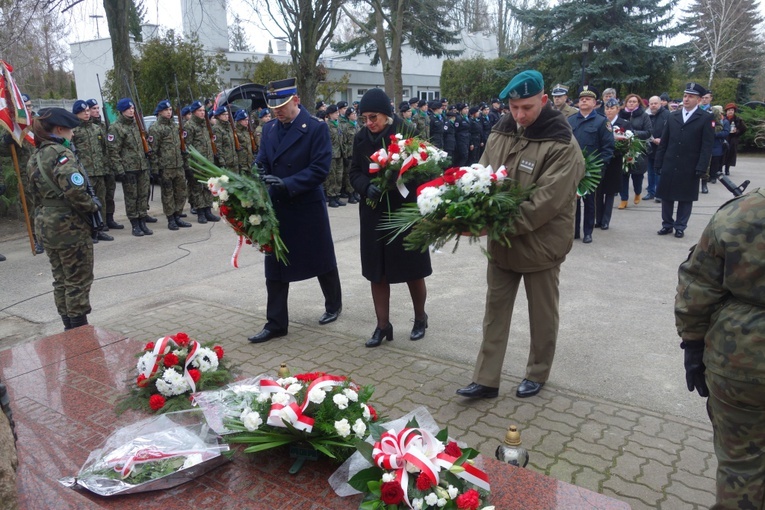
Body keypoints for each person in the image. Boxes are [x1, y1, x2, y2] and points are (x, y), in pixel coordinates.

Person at [456, 70, 585, 399]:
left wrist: (491, 225)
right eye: (513, 107)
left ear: (544, 100)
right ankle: (485, 379)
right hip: (503, 244)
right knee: (494, 312)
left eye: (526, 107)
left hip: (541, 245)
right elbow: (482, 174)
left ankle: (538, 372)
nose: (519, 115)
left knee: (541, 315)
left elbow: (544, 203)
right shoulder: (500, 131)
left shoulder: (562, 145)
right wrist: (466, 209)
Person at [675, 188, 765, 510]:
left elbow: (698, 284)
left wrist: (693, 344)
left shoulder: (738, 213)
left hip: (742, 361)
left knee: (741, 466)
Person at [248, 78, 343, 343]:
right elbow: (262, 159)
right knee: (275, 266)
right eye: (273, 107)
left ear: (296, 101)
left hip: (305, 205)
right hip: (276, 207)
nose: (277, 111)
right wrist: (259, 170)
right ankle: (276, 323)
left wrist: (288, 183)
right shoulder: (268, 130)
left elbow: (319, 169)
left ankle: (333, 304)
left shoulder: (315, 129)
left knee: (321, 259)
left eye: (283, 105)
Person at [348, 88, 432, 347]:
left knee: (412, 270)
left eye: (374, 117)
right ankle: (383, 326)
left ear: (386, 115)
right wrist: (365, 186)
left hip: (403, 212)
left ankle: (420, 318)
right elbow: (353, 171)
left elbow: (424, 169)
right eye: (365, 118)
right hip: (373, 213)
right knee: (377, 272)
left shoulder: (406, 134)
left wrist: (400, 179)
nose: (369, 123)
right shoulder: (361, 137)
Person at [27, 108, 100, 330]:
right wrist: (93, 206)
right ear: (59, 129)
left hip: (47, 225)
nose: (73, 134)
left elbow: (35, 195)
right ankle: (79, 333)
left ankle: (69, 328)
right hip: (69, 227)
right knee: (77, 279)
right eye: (70, 130)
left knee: (61, 279)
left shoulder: (35, 156)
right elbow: (76, 192)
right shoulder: (61, 155)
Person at [654, 82, 714, 239]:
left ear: (699, 100)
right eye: (685, 96)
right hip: (670, 162)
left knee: (685, 197)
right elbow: (664, 142)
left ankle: (680, 226)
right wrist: (658, 162)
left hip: (690, 164)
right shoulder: (673, 116)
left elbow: (707, 146)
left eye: (691, 97)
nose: (686, 99)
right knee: (666, 195)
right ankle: (667, 224)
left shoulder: (706, 118)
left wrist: (702, 167)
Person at [568, 85, 614, 243]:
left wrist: (599, 169)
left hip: (591, 171)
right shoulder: (570, 121)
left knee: (589, 202)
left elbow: (608, 148)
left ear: (595, 103)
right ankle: (574, 230)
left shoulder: (602, 122)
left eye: (587, 99)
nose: (584, 101)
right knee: (572, 201)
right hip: (572, 169)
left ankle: (588, 232)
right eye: (581, 99)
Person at [107, 98, 153, 237]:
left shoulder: (137, 125)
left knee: (143, 195)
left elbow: (144, 142)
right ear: (122, 111)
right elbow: (113, 151)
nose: (131, 110)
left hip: (142, 166)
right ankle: (135, 224)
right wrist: (119, 169)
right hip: (129, 168)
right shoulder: (116, 127)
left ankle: (143, 221)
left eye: (132, 108)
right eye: (128, 109)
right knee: (132, 197)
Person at [71, 100, 113, 244]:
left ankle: (100, 229)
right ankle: (89, 230)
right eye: (83, 112)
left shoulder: (97, 129)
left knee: (100, 200)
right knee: (85, 203)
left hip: (99, 171)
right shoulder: (74, 131)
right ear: (76, 114)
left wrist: (106, 168)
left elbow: (104, 150)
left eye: (88, 111)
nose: (87, 113)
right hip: (84, 173)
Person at [148, 100, 192, 231]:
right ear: (160, 112)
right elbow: (153, 151)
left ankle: (178, 215)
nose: (169, 112)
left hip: (178, 165)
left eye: (170, 110)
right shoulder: (155, 128)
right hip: (165, 167)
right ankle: (171, 219)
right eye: (166, 110)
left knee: (181, 192)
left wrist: (185, 162)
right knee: (168, 194)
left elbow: (181, 146)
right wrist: (155, 168)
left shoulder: (174, 126)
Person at [85, 98, 124, 231]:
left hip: (109, 166)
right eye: (93, 109)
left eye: (97, 108)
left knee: (109, 194)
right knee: (98, 197)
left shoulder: (104, 125)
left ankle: (110, 218)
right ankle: (99, 222)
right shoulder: (87, 127)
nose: (96, 111)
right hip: (96, 168)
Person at [184, 101, 220, 224]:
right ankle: (200, 212)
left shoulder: (205, 124)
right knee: (197, 188)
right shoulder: (189, 126)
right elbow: (187, 146)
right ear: (194, 112)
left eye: (204, 110)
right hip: (197, 163)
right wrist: (189, 164)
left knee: (208, 186)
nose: (203, 113)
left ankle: (208, 211)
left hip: (208, 161)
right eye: (200, 110)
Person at [616, 93, 652, 208]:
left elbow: (648, 131)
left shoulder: (644, 115)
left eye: (634, 101)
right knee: (623, 174)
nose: (631, 103)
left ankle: (637, 192)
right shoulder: (621, 114)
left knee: (637, 175)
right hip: (623, 147)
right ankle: (624, 199)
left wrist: (634, 133)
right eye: (629, 101)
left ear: (638, 103)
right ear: (626, 103)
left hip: (638, 148)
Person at [598, 98, 629, 230]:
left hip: (615, 161)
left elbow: (629, 142)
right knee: (598, 192)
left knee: (610, 192)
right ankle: (598, 219)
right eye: (607, 108)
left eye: (612, 108)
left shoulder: (624, 123)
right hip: (601, 161)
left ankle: (606, 220)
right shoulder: (600, 121)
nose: (609, 110)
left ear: (618, 109)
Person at [644, 95, 670, 202]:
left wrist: (662, 139)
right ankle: (651, 192)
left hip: (662, 147)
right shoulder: (646, 115)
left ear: (660, 104)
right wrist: (651, 138)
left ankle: (660, 193)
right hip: (650, 146)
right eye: (651, 103)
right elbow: (645, 128)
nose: (653, 105)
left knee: (659, 171)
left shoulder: (667, 115)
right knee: (650, 171)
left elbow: (669, 130)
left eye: (655, 103)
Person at [704, 105, 729, 193]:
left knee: (714, 161)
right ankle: (705, 179)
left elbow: (722, 128)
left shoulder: (714, 113)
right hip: (703, 142)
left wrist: (712, 132)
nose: (704, 99)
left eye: (706, 97)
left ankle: (711, 178)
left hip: (715, 143)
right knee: (705, 162)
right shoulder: (700, 110)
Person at [723, 103, 746, 176]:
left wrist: (737, 131)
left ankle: (727, 169)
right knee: (722, 154)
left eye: (732, 110)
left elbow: (744, 128)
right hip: (724, 138)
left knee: (730, 154)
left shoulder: (737, 119)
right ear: (726, 111)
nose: (730, 111)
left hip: (733, 139)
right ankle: (719, 169)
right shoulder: (723, 118)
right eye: (729, 110)